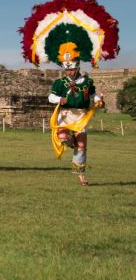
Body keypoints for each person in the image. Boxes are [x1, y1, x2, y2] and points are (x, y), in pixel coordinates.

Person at [48, 57, 102, 186]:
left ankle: (81, 175)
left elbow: (93, 95)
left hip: (81, 116)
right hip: (65, 115)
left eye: (72, 69)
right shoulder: (59, 83)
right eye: (67, 70)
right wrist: (59, 99)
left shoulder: (87, 82)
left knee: (81, 146)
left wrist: (99, 100)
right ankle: (71, 141)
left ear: (77, 68)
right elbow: (51, 96)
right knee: (62, 137)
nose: (69, 72)